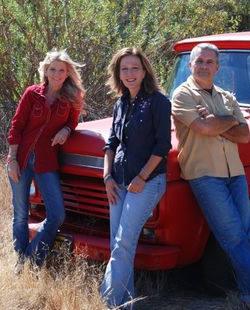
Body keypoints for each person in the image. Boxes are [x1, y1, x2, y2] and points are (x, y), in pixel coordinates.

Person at [171, 43, 250, 304]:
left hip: (235, 172)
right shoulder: (183, 95)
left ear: (218, 67)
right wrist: (228, 120)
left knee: (244, 232)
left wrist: (218, 119)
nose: (204, 65)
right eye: (199, 61)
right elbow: (204, 129)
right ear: (190, 65)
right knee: (231, 234)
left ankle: (249, 294)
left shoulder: (226, 96)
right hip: (203, 173)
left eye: (209, 61)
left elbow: (245, 135)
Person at [100, 47, 172, 308]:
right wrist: (107, 176)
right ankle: (125, 304)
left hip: (147, 183)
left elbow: (163, 146)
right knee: (118, 246)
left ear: (145, 71)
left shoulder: (159, 102)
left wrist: (142, 177)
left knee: (123, 243)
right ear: (117, 73)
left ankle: (107, 303)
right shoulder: (120, 103)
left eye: (135, 68)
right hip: (117, 182)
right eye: (124, 69)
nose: (129, 73)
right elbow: (111, 143)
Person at [6, 49, 85, 271]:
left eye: (61, 70)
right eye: (53, 69)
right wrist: (12, 159)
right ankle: (21, 265)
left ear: (68, 73)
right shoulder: (32, 93)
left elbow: (73, 121)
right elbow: (17, 125)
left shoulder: (72, 97)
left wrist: (66, 131)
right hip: (21, 159)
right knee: (21, 215)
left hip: (47, 162)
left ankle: (31, 261)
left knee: (57, 215)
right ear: (45, 71)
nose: (57, 74)